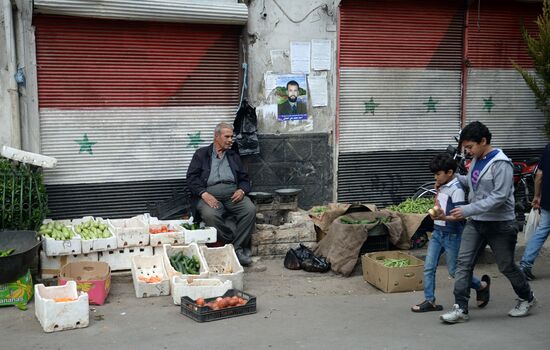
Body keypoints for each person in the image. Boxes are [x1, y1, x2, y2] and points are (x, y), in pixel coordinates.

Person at [440, 121, 536, 324]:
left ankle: (527, 298)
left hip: (500, 224)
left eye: (470, 147)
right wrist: (452, 177)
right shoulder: (477, 159)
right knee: (463, 264)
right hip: (476, 223)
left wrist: (467, 209)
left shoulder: (501, 163)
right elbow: (472, 183)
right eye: (465, 148)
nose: (468, 151)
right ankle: (460, 308)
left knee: (506, 266)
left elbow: (499, 196)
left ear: (483, 141)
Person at [411, 153, 490, 313]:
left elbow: (460, 214)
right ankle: (429, 300)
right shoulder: (441, 186)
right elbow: (439, 205)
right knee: (428, 267)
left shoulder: (456, 189)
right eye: (435, 174)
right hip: (438, 233)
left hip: (453, 235)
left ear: (449, 173)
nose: (436, 177)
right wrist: (436, 213)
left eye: (438, 174)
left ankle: (481, 286)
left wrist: (444, 216)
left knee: (454, 271)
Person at [186, 122, 256, 266]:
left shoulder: (233, 155)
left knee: (249, 210)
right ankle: (230, 241)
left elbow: (245, 178)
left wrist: (242, 190)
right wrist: (203, 193)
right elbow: (191, 178)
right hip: (209, 195)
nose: (231, 140)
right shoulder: (201, 154)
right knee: (210, 215)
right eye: (227, 136)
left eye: (232, 136)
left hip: (232, 194)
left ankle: (236, 249)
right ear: (216, 137)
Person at [519, 143, 550, 280]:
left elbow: (539, 175)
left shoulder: (548, 147)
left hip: (548, 199)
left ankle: (525, 265)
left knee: (542, 231)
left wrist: (537, 196)